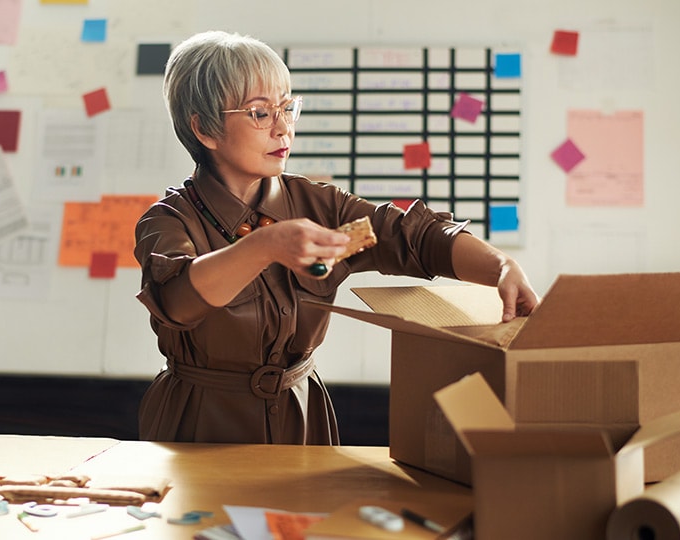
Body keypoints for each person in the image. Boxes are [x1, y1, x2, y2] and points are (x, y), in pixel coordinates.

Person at [133, 30, 539, 445]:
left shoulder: (320, 207)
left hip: (300, 417)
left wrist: (501, 267)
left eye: (287, 107)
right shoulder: (168, 221)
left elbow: (409, 237)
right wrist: (264, 246)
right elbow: (178, 301)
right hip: (199, 424)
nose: (283, 128)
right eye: (260, 113)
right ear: (204, 129)